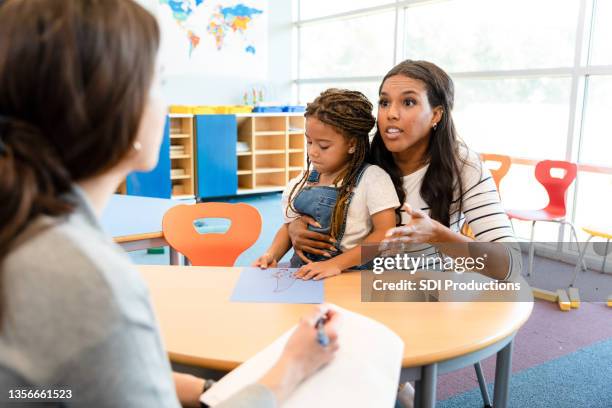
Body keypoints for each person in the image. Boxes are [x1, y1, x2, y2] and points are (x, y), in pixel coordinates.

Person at [0, 1, 338, 407]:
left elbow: (54, 386)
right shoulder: (91, 281)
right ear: (115, 108)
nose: (165, 103)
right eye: (158, 82)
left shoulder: (27, 228)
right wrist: (293, 367)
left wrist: (204, 391)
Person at [288, 60, 521, 283]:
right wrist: (295, 228)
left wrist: (438, 235)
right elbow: (311, 200)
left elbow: (510, 265)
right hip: (352, 286)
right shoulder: (358, 153)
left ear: (436, 115)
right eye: (384, 102)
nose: (391, 113)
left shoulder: (465, 167)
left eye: (408, 102)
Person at [253, 89, 399, 280]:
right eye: (309, 141)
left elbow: (385, 233)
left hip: (348, 276)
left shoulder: (373, 178)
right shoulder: (302, 180)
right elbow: (289, 227)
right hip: (304, 276)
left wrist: (335, 264)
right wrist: (272, 255)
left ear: (352, 144)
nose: (313, 152)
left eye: (323, 146)